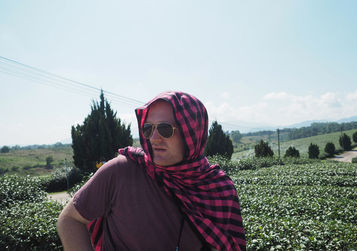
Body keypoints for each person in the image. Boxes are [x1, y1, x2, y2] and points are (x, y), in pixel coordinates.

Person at [57, 91, 246, 250]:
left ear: (192, 133)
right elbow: (69, 219)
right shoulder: (120, 171)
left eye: (165, 129)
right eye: (148, 129)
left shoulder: (218, 188)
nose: (154, 138)